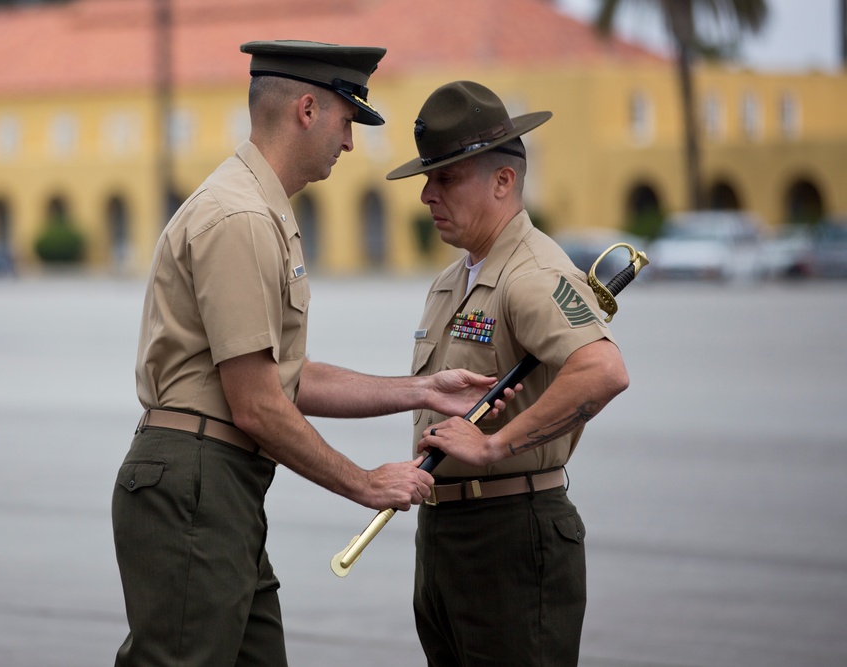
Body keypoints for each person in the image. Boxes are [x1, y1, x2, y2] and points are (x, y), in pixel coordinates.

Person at [111, 44, 511, 667]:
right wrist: (365, 483)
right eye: (347, 120)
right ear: (306, 109)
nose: (350, 142)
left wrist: (423, 389)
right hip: (195, 481)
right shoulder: (240, 216)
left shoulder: (263, 210)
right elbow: (257, 406)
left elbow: (283, 379)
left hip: (219, 484)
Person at [386, 80, 631, 666]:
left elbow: (602, 370)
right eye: (428, 177)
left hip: (510, 531)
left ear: (504, 180)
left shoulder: (533, 274)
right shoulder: (456, 279)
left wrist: (494, 446)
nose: (427, 195)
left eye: (446, 178)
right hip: (449, 535)